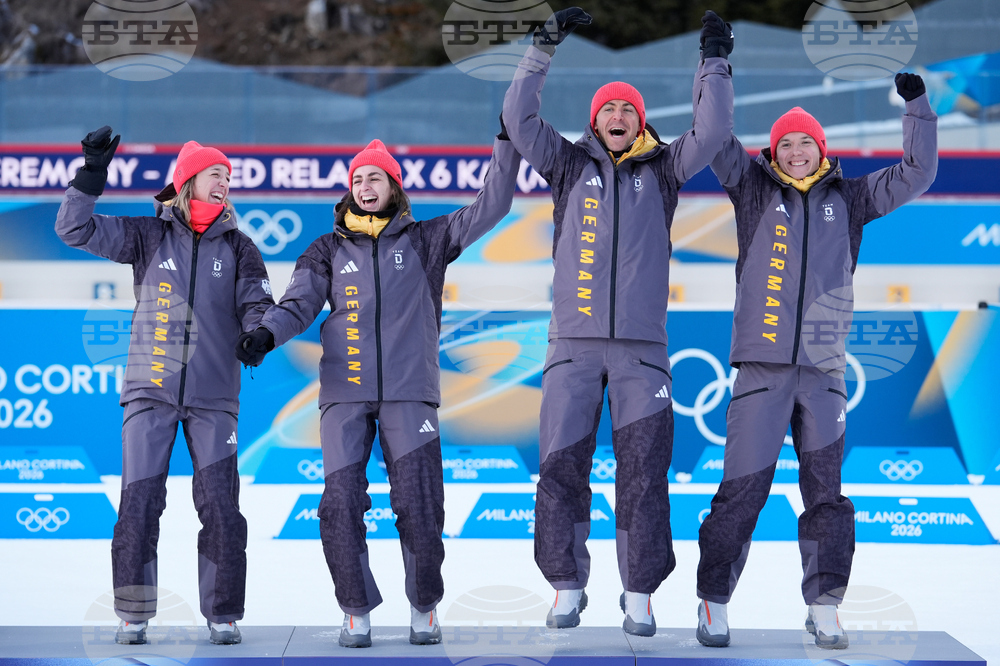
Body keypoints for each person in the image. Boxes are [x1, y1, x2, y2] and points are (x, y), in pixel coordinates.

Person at [236, 130, 521, 648]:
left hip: (411, 391)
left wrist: (507, 142)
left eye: (376, 177)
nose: (366, 186)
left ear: (395, 185)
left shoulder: (428, 239)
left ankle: (424, 605)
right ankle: (355, 609)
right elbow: (298, 303)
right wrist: (265, 334)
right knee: (339, 502)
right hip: (344, 392)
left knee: (419, 502)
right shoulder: (325, 249)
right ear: (349, 190)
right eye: (358, 179)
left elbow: (493, 205)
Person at [501, 8, 734, 636]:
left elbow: (712, 130)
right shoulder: (568, 165)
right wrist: (542, 46)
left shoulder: (662, 170)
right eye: (608, 109)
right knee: (559, 470)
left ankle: (639, 593)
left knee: (644, 474)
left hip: (641, 351)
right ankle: (565, 586)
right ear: (595, 118)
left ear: (640, 120)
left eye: (628, 109)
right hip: (572, 347)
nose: (618, 117)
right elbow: (518, 119)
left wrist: (713, 59)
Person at [694, 73, 937, 650]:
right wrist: (717, 66)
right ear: (772, 153)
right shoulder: (751, 190)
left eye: (806, 142)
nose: (797, 152)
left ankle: (824, 605)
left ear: (822, 149)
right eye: (785, 144)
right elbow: (714, 133)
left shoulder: (850, 199)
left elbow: (918, 172)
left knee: (825, 493)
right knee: (741, 492)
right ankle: (714, 601)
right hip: (761, 369)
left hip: (824, 374)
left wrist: (918, 107)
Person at [55, 128, 274, 646]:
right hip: (149, 392)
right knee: (140, 504)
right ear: (187, 183)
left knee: (221, 507)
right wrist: (90, 174)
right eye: (215, 174)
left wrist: (258, 334)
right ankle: (133, 615)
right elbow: (73, 228)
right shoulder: (147, 236)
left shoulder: (242, 249)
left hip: (214, 397)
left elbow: (257, 304)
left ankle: (223, 613)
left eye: (228, 176)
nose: (225, 182)